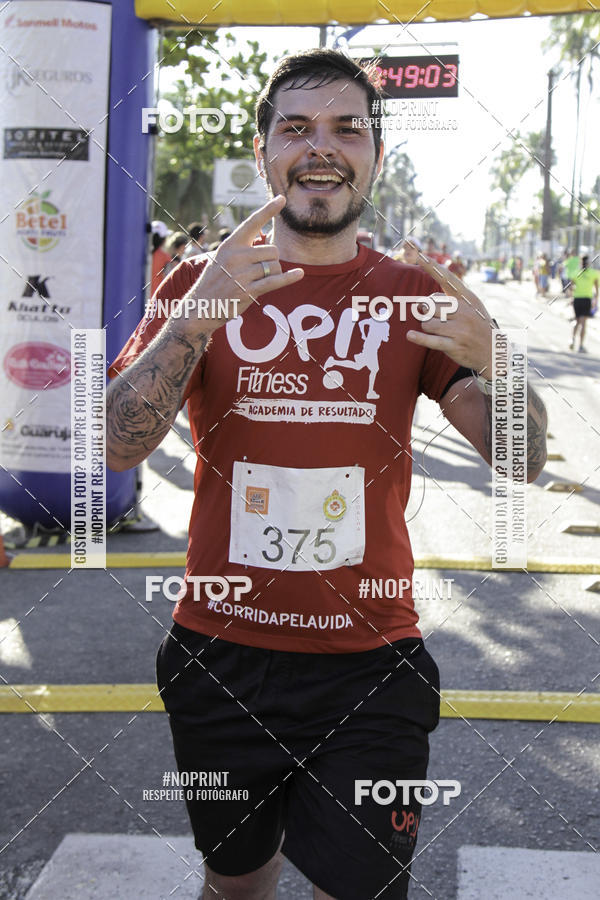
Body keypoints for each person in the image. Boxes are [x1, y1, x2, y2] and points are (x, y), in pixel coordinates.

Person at [106, 49, 548, 900]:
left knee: (364, 891)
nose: (322, 147)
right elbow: (119, 448)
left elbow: (521, 461)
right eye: (296, 128)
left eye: (349, 128)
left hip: (371, 662)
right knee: (236, 884)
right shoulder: (202, 283)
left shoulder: (415, 295)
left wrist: (500, 355)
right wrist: (194, 323)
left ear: (377, 155)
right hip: (219, 655)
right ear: (264, 151)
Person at [570, 255, 599, 352]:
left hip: (578, 299)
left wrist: (571, 297)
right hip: (586, 299)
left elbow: (571, 287)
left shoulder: (576, 273)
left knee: (578, 321)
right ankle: (580, 345)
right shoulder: (593, 273)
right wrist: (596, 299)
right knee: (583, 323)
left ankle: (573, 340)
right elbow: (597, 288)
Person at [150, 220, 172, 296]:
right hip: (157, 299)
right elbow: (168, 280)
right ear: (164, 239)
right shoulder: (165, 257)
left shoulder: (142, 254)